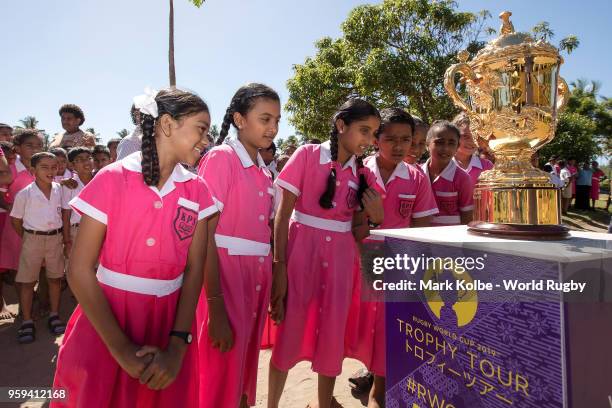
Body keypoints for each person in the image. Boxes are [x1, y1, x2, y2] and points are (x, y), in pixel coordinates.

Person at [52, 88, 217, 407]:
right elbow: (79, 269)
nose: (206, 140)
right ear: (167, 124)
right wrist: (121, 349)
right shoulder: (113, 179)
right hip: (105, 321)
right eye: (201, 128)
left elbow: (196, 267)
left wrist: (178, 344)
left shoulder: (197, 189)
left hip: (169, 323)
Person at [268, 98, 383, 408]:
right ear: (341, 125)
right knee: (289, 334)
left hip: (342, 263)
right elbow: (282, 215)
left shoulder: (363, 173)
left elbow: (365, 226)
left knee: (331, 336)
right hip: (301, 255)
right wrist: (279, 267)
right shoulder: (307, 155)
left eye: (373, 133)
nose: (368, 140)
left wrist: (376, 216)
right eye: (363, 130)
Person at [345, 108, 438, 408]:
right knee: (356, 333)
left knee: (389, 335)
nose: (399, 146)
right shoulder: (359, 172)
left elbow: (422, 233)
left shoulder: (416, 178)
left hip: (399, 269)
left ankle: (378, 392)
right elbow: (353, 228)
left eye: (406, 140)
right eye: (390, 139)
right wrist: (375, 223)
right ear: (376, 139)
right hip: (360, 264)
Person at [195, 83, 281, 408]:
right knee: (219, 368)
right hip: (225, 277)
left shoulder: (262, 169)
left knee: (241, 366)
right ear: (239, 119)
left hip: (254, 278)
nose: (272, 128)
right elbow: (203, 235)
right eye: (265, 118)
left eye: (277, 120)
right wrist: (216, 306)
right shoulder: (222, 158)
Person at [10, 152, 67, 343]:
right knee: (27, 282)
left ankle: (54, 315)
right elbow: (16, 220)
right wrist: (28, 237)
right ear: (33, 170)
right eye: (45, 167)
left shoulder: (60, 189)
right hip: (32, 239)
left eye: (54, 167)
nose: (51, 171)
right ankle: (27, 321)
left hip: (55, 239)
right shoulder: (25, 194)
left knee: (55, 279)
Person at [0, 130, 42, 273]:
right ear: (17, 148)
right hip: (16, 225)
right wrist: (8, 206)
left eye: (39, 145)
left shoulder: (44, 169)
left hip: (39, 223)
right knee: (18, 266)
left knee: (37, 265)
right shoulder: (10, 170)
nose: (35, 149)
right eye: (29, 145)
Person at [422, 121, 474, 226]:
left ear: (457, 146)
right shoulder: (417, 175)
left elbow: (467, 216)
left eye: (451, 143)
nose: (445, 148)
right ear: (427, 144)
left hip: (451, 240)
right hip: (420, 237)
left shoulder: (462, 179)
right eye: (439, 142)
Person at [61, 147, 94, 253]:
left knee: (97, 267)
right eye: (80, 159)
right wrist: (67, 241)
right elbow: (66, 215)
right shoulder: (69, 185)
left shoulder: (101, 180)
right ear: (72, 165)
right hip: (76, 231)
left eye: (89, 158)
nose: (86, 162)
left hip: (98, 229)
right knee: (74, 265)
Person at [451, 112, 493, 185]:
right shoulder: (443, 165)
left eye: (475, 137)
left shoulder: (487, 166)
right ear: (454, 136)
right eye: (465, 136)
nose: (472, 141)